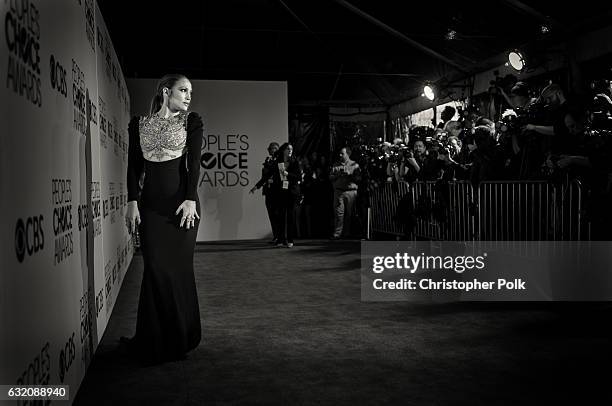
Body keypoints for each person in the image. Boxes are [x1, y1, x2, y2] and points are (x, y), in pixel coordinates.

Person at [123, 74, 203, 364]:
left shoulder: (191, 121)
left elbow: (193, 163)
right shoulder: (139, 124)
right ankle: (152, 339)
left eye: (190, 91)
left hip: (183, 208)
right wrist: (132, 201)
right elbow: (133, 167)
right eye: (183, 90)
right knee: (155, 270)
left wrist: (191, 198)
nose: (188, 95)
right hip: (151, 209)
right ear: (166, 91)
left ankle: (181, 338)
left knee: (178, 270)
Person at [272, 143, 302, 247]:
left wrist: (288, 174)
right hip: (281, 192)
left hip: (292, 192)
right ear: (283, 150)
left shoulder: (295, 162)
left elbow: (299, 177)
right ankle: (280, 239)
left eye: (291, 149)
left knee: (290, 216)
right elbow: (274, 176)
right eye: (288, 149)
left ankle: (290, 240)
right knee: (281, 216)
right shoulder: (278, 162)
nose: (290, 150)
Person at [249, 142, 280, 243]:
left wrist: (274, 181)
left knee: (277, 215)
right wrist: (256, 187)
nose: (273, 150)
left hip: (277, 192)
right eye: (271, 148)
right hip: (268, 192)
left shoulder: (280, 161)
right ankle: (276, 237)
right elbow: (264, 177)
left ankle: (280, 237)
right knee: (271, 215)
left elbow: (283, 176)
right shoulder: (267, 161)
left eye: (275, 148)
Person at [330, 146, 360, 239]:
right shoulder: (336, 165)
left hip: (351, 192)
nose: (340, 155)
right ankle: (337, 234)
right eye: (340, 153)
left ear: (348, 154)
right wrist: (337, 175)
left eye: (342, 153)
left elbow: (359, 178)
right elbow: (330, 177)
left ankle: (348, 233)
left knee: (350, 214)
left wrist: (350, 175)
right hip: (339, 192)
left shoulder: (355, 165)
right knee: (339, 214)